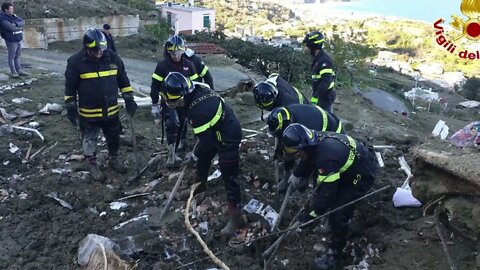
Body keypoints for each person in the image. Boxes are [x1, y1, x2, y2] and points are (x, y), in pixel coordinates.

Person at [280, 123, 377, 269]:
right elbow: (308, 158)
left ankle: (335, 252)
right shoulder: (313, 139)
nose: (298, 156)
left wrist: (309, 216)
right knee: (321, 194)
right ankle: (313, 221)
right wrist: (297, 174)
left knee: (338, 211)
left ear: (304, 147)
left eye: (298, 153)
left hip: (362, 173)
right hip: (345, 165)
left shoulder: (326, 158)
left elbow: (327, 195)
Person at [162, 72, 242, 236]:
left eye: (175, 102)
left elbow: (206, 142)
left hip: (227, 135)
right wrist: (199, 156)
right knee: (203, 160)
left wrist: (194, 156)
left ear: (182, 96)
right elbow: (205, 139)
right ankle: (199, 186)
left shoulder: (197, 112)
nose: (174, 105)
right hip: (214, 129)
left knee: (229, 174)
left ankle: (236, 216)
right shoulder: (197, 88)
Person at [64, 28, 137, 182]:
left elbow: (123, 80)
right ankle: (91, 163)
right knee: (90, 138)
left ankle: (113, 159)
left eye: (101, 50)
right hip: (89, 113)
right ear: (87, 47)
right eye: (95, 50)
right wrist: (71, 109)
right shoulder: (75, 62)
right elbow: (69, 89)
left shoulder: (112, 58)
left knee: (114, 136)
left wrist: (129, 99)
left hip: (111, 109)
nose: (99, 53)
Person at [267, 104, 345, 193]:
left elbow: (309, 156)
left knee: (318, 163)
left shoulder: (305, 129)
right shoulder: (286, 114)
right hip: (317, 124)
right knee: (293, 151)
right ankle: (289, 177)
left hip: (333, 132)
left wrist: (298, 175)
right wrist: (279, 153)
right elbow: (284, 141)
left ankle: (309, 188)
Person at [150, 35, 199, 167]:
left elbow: (195, 85)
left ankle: (181, 143)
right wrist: (155, 104)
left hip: (185, 101)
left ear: (183, 51)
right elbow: (155, 86)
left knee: (183, 122)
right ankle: (171, 153)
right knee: (172, 124)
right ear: (168, 52)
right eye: (172, 52)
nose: (176, 55)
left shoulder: (189, 66)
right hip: (169, 101)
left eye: (178, 52)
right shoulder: (162, 66)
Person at [303, 31, 336, 113]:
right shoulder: (317, 59)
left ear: (313, 46)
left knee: (326, 119)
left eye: (307, 46)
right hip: (321, 95)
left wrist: (315, 96)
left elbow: (326, 81)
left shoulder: (324, 61)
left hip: (325, 96)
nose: (305, 48)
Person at [0, 2, 28, 78]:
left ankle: (19, 70)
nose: (12, 10)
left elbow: (22, 22)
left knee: (18, 55)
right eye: (11, 9)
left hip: (18, 38)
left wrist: (16, 24)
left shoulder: (14, 16)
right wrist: (19, 26)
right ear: (6, 10)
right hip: (11, 40)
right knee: (11, 56)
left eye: (12, 8)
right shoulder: (2, 18)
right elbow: (10, 27)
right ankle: (13, 72)